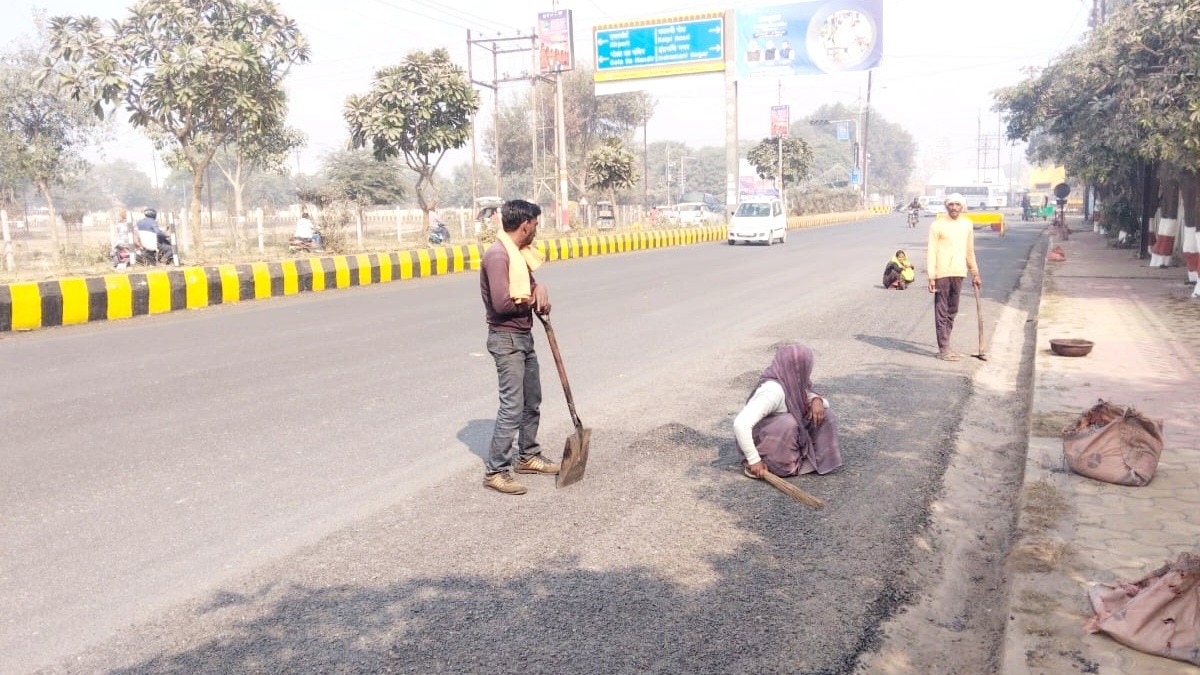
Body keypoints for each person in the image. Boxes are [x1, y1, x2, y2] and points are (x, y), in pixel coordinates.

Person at [479, 199, 560, 495]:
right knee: (512, 406)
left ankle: (528, 455)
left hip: (523, 336)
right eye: (536, 224)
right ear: (525, 224)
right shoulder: (498, 256)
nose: (536, 230)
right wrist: (531, 298)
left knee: (532, 401)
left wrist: (539, 290)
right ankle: (496, 470)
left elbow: (529, 285)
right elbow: (502, 303)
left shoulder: (518, 254)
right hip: (506, 340)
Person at [734, 344, 843, 479]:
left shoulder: (793, 382)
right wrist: (754, 460)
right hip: (764, 443)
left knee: (826, 415)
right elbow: (741, 424)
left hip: (783, 440)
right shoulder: (772, 391)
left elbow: (807, 395)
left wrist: (816, 400)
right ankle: (775, 464)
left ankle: (815, 460)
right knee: (789, 422)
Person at [926, 193, 982, 361]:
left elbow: (969, 251)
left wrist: (975, 273)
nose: (954, 207)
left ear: (962, 207)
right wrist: (931, 276)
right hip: (942, 273)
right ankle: (943, 349)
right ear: (946, 206)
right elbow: (931, 251)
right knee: (941, 311)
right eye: (951, 204)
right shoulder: (937, 226)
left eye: (958, 204)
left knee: (953, 310)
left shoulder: (967, 225)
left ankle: (946, 343)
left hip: (959, 272)